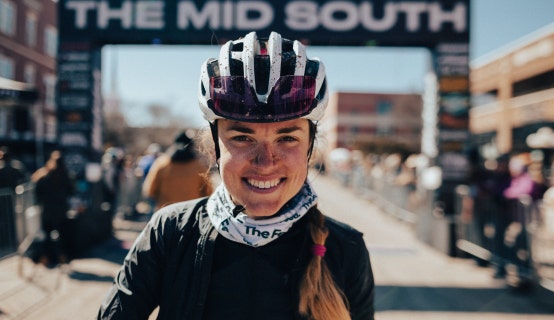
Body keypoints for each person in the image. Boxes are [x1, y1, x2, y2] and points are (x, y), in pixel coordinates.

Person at [98, 31, 375, 320]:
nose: (266, 161)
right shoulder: (170, 232)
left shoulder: (345, 249)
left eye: (287, 138)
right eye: (243, 138)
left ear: (309, 149)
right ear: (215, 148)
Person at [141, 129, 214, 211]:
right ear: (191, 146)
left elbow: (149, 189)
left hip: (166, 212)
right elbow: (209, 192)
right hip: (191, 214)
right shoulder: (199, 167)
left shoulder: (162, 163)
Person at [33, 150, 75, 266]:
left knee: (47, 235)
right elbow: (71, 191)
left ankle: (46, 257)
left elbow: (38, 191)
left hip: (47, 210)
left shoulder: (44, 175)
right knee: (62, 235)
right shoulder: (66, 175)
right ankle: (62, 256)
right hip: (61, 210)